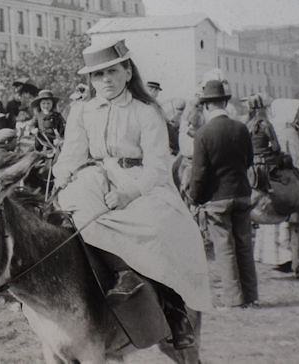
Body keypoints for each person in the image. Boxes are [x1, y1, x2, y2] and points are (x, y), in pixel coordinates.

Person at [53, 38, 212, 349]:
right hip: (93, 178)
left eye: (111, 71)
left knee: (159, 229)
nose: (105, 80)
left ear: (127, 71)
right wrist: (61, 176)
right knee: (71, 220)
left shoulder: (146, 111)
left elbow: (157, 166)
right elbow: (71, 154)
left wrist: (129, 193)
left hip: (140, 180)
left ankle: (172, 307)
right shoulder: (82, 111)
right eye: (97, 75)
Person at [189, 79, 257, 308]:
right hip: (242, 194)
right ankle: (251, 297)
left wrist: (195, 199)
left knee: (225, 248)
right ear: (224, 103)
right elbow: (249, 160)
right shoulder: (241, 128)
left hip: (217, 199)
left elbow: (199, 174)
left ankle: (233, 300)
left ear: (207, 106)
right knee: (245, 246)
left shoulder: (203, 134)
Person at [243, 93, 281, 193]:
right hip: (265, 161)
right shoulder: (266, 124)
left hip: (248, 162)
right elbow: (276, 147)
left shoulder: (245, 125)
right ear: (261, 108)